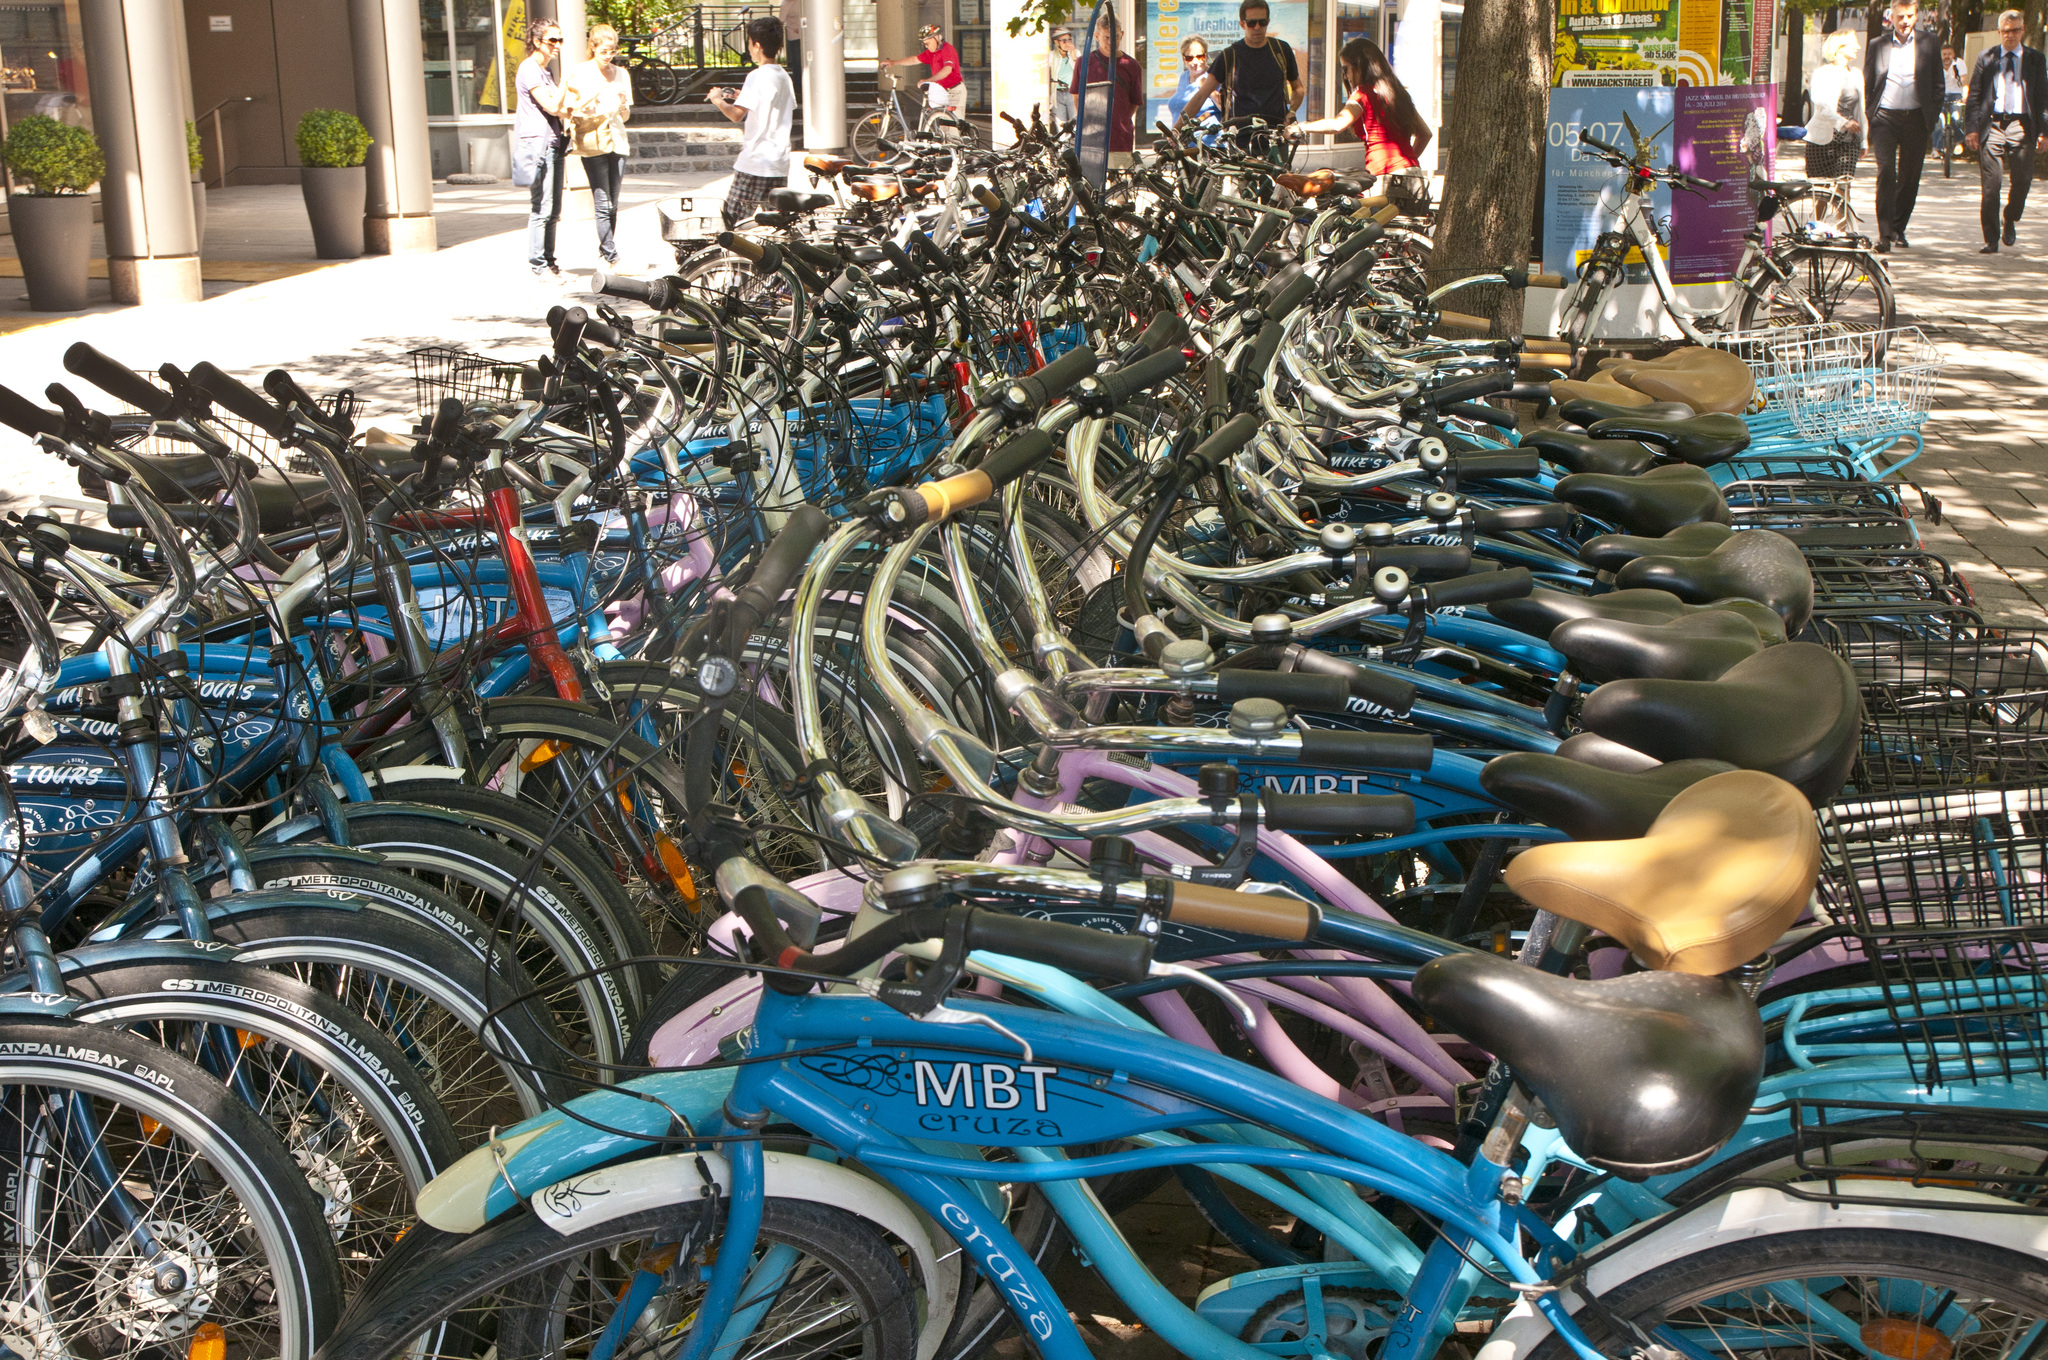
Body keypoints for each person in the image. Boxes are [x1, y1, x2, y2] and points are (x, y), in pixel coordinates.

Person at [1288, 36, 1430, 206]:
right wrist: (1404, 164)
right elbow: (1425, 133)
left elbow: (1338, 124)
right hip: (1412, 175)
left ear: (1360, 65)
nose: (1346, 76)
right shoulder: (1397, 93)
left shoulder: (1363, 94)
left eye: (1346, 69)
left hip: (1383, 176)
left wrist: (1302, 127)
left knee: (1365, 227)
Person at [1963, 8, 2048, 252]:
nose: (2010, 35)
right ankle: (1991, 239)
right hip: (1992, 125)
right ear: (1999, 32)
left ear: (2022, 31)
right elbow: (1975, 96)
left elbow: (2042, 97)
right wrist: (1971, 128)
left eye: (2015, 30)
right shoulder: (1986, 57)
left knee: (2022, 179)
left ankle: (2010, 216)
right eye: (2006, 31)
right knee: (1991, 183)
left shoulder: (2035, 59)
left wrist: (2045, 131)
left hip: (2022, 125)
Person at [1863, 0, 1943, 251]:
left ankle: (1898, 228)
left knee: (1910, 178)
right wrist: (1870, 116)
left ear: (1917, 16)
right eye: (1900, 16)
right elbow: (1868, 82)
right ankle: (1884, 234)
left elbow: (1938, 84)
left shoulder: (1930, 43)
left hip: (1916, 118)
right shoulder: (1878, 45)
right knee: (1886, 171)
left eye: (1909, 16)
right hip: (1885, 118)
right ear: (1892, 17)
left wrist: (1931, 116)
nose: (1905, 21)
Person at [1171, 0, 1301, 142]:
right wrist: (1176, 129)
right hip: (1240, 142)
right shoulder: (1229, 56)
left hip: (1276, 138)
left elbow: (1298, 88)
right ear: (1242, 24)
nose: (1257, 27)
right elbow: (1201, 95)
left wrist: (1292, 112)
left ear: (1268, 22)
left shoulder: (1281, 50)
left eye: (1262, 22)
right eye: (1251, 23)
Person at [711, 16, 796, 231]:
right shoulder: (784, 77)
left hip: (755, 162)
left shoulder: (756, 76)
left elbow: (736, 115)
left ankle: (731, 264)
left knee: (731, 224)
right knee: (778, 227)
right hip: (778, 162)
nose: (749, 48)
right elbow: (774, 103)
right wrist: (743, 95)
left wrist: (718, 100)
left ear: (757, 45)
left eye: (749, 43)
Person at [563, 24, 634, 268]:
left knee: (613, 202)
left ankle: (605, 253)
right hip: (593, 140)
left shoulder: (622, 74)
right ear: (592, 48)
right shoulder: (580, 72)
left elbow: (625, 117)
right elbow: (571, 109)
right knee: (603, 202)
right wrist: (589, 101)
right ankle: (612, 256)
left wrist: (623, 103)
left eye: (612, 51)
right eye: (603, 51)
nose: (608, 56)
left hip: (617, 141)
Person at [513, 20, 569, 279]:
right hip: (538, 145)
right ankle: (539, 265)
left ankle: (550, 262)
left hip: (554, 143)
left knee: (554, 209)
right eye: (552, 40)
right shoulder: (530, 69)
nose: (557, 45)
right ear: (537, 42)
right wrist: (566, 88)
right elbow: (550, 106)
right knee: (542, 208)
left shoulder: (546, 71)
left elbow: (559, 108)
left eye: (560, 40)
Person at [1070, 9, 1143, 152]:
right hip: (1091, 137)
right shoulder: (1084, 62)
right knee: (1090, 174)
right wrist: (1086, 124)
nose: (1111, 42)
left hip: (1121, 138)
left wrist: (1120, 121)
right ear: (1097, 36)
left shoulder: (1132, 66)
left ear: (1121, 35)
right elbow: (1077, 97)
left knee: (1120, 173)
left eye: (1115, 36)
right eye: (1106, 37)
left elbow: (1135, 101)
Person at [1804, 31, 1866, 181]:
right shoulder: (1822, 73)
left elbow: (1860, 111)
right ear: (1839, 48)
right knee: (1820, 191)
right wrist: (1843, 122)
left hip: (1849, 140)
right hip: (1821, 139)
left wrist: (1863, 139)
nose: (1858, 47)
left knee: (1844, 186)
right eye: (1853, 43)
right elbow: (1821, 106)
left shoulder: (1856, 74)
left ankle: (1844, 205)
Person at [883, 25, 965, 121]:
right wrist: (894, 62)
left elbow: (947, 70)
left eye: (928, 43)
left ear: (937, 38)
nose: (926, 46)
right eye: (924, 44)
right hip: (942, 91)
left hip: (955, 91)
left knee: (953, 127)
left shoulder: (947, 49)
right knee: (943, 127)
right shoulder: (931, 52)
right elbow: (914, 59)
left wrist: (928, 80)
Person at [1165, 36, 1222, 127]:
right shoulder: (1184, 77)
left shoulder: (1213, 77)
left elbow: (1226, 109)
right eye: (1189, 58)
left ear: (1206, 57)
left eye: (1199, 57)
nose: (1195, 62)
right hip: (1182, 139)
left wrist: (1209, 89)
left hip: (1206, 139)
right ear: (1184, 60)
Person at [1050, 27, 1077, 126]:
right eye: (1064, 41)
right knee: (1060, 125)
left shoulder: (1076, 53)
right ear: (1056, 42)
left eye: (1069, 40)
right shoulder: (1052, 56)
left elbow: (1081, 71)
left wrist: (1073, 56)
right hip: (1057, 94)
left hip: (1072, 93)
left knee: (1075, 124)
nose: (1067, 43)